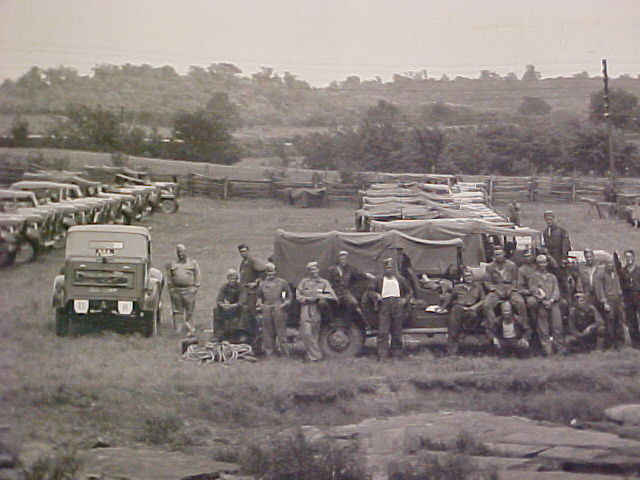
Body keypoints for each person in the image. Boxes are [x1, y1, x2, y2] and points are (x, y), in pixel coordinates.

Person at [369, 258, 412, 360]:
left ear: (394, 269)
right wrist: (376, 295)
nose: (389, 270)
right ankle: (382, 355)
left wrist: (404, 300)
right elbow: (370, 291)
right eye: (387, 268)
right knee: (383, 331)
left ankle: (396, 354)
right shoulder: (378, 280)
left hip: (397, 305)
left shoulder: (400, 279)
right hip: (384, 305)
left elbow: (409, 292)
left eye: (391, 267)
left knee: (397, 331)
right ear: (384, 269)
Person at [296, 261, 337, 362]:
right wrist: (306, 299)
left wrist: (319, 297)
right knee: (306, 333)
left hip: (317, 309)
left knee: (314, 334)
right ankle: (317, 356)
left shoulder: (323, 283)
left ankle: (310, 356)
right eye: (311, 269)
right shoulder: (304, 282)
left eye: (315, 269)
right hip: (306, 308)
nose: (313, 271)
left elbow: (332, 296)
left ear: (318, 270)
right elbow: (298, 295)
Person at [482, 246, 527, 332]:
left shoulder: (512, 265)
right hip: (496, 289)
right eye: (496, 254)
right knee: (486, 304)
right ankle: (492, 327)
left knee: (520, 302)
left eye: (500, 254)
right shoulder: (490, 267)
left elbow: (515, 280)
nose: (498, 256)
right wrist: (495, 290)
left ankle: (524, 325)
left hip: (510, 288)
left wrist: (511, 289)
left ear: (504, 254)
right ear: (494, 256)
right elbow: (487, 282)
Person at [528, 254, 565, 355]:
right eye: (540, 262)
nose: (542, 265)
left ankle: (560, 349)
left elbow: (556, 290)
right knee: (543, 329)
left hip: (553, 304)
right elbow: (534, 290)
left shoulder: (552, 277)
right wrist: (543, 301)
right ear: (537, 264)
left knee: (557, 327)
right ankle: (547, 351)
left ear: (547, 263)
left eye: (544, 262)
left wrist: (552, 300)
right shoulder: (533, 277)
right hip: (541, 305)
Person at [445, 267, 485, 355]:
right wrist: (443, 308)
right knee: (453, 328)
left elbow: (483, 300)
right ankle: (452, 352)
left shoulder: (478, 288)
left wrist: (474, 307)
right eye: (466, 276)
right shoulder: (458, 288)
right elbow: (450, 300)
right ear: (463, 278)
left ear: (473, 277)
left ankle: (463, 332)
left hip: (471, 308)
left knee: (473, 317)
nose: (468, 278)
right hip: (458, 308)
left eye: (470, 276)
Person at [256, 263, 292, 358]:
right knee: (267, 332)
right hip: (267, 308)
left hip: (278, 308)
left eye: (272, 272)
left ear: (275, 272)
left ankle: (285, 354)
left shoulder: (282, 283)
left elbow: (289, 296)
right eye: (268, 272)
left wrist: (285, 304)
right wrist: (261, 304)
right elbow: (259, 296)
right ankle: (270, 354)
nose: (270, 274)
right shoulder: (263, 284)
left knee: (281, 332)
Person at [594, 259, 630, 349]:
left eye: (612, 263)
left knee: (619, 321)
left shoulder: (615, 274)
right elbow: (599, 289)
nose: (611, 265)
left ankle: (620, 344)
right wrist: (604, 302)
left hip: (617, 299)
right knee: (610, 322)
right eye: (609, 263)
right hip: (608, 300)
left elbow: (618, 286)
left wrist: (621, 300)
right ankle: (609, 344)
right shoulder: (601, 275)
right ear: (606, 264)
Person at [166, 244, 200, 335]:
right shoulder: (172, 264)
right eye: (179, 252)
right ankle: (178, 329)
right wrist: (171, 288)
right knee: (177, 311)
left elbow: (197, 275)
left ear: (186, 253)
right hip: (176, 290)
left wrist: (195, 287)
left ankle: (190, 329)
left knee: (189, 310)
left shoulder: (192, 263)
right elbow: (169, 277)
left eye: (182, 252)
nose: (181, 254)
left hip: (189, 290)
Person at [327, 251, 368, 321]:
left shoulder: (349, 269)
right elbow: (328, 282)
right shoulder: (332, 269)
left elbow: (358, 274)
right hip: (334, 291)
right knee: (328, 304)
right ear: (338, 259)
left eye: (345, 259)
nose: (343, 261)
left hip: (345, 292)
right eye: (342, 259)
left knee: (353, 303)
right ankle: (332, 320)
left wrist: (367, 275)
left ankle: (346, 320)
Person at [237, 243, 267, 336]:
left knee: (251, 311)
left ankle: (254, 333)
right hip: (244, 291)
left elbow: (264, 271)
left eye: (245, 251)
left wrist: (256, 282)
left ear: (248, 251)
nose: (243, 253)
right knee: (242, 309)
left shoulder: (253, 261)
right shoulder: (243, 263)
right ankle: (245, 331)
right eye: (241, 252)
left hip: (251, 291)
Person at [542, 211, 571, 296]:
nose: (548, 221)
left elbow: (565, 245)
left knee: (562, 280)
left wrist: (564, 259)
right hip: (549, 258)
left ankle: (567, 298)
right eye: (547, 220)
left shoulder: (562, 231)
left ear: (554, 219)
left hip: (559, 257)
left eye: (550, 219)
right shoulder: (545, 232)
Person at [213, 269, 244, 342]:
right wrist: (223, 305)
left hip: (237, 308)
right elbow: (219, 300)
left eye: (235, 278)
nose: (233, 280)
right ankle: (218, 333)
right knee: (216, 310)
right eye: (231, 278)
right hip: (227, 307)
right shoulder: (224, 287)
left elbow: (242, 301)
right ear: (227, 279)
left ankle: (240, 333)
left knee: (244, 309)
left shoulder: (241, 287)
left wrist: (233, 306)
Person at [619, 249, 640, 346]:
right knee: (631, 320)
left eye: (630, 257)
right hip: (628, 297)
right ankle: (636, 342)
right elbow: (621, 286)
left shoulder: (638, 269)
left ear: (633, 257)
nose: (629, 259)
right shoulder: (622, 271)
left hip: (638, 295)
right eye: (627, 257)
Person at [517, 249, 539, 316]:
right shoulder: (521, 270)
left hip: (543, 291)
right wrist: (529, 292)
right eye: (526, 256)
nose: (528, 258)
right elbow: (520, 287)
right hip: (530, 293)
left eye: (530, 256)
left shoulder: (538, 266)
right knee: (532, 302)